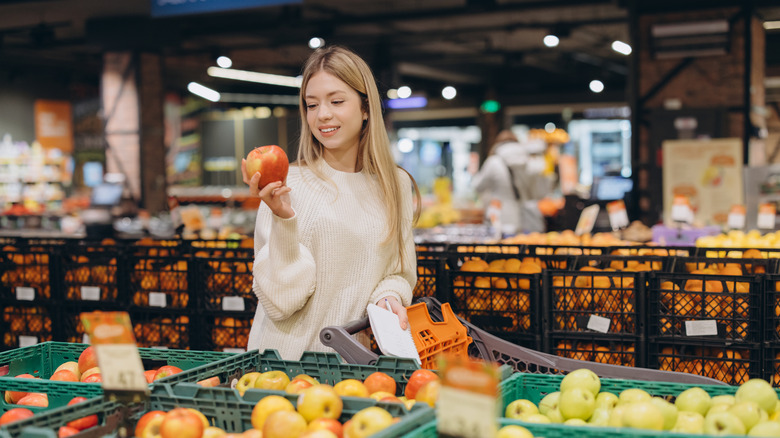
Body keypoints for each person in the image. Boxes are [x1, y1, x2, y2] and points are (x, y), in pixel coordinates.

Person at [241, 45, 421, 360]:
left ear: (366, 108)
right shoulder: (286, 185)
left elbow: (398, 272)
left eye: (337, 101)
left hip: (354, 370)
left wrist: (388, 297)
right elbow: (280, 303)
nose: (322, 115)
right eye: (312, 105)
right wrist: (284, 218)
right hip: (283, 369)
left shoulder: (395, 184)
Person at [471, 130, 553, 235]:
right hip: (526, 221)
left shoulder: (494, 162)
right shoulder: (529, 161)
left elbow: (477, 187)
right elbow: (540, 193)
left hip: (500, 221)